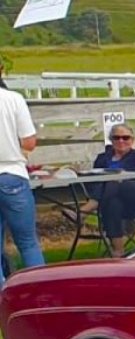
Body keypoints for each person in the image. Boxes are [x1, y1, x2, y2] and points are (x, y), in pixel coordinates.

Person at [83, 123, 135, 255]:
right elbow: (93, 180)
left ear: (132, 140)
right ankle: (118, 251)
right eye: (116, 138)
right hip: (111, 199)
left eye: (125, 137)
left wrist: (123, 175)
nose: (121, 141)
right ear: (111, 140)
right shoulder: (103, 158)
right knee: (113, 204)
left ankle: (85, 210)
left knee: (114, 181)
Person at [0, 64, 44, 286]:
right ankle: (40, 289)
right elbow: (29, 141)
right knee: (27, 242)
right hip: (12, 173)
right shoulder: (14, 99)